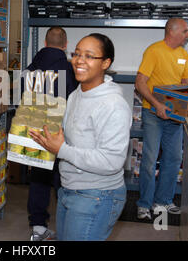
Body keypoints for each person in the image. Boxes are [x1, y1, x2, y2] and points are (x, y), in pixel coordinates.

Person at [29, 33, 131, 241]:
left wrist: (62, 149)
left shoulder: (113, 105)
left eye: (89, 56)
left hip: (96, 195)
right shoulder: (77, 93)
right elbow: (70, 138)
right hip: (69, 189)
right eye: (76, 54)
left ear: (106, 63)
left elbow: (112, 161)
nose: (79, 60)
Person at [21, 27, 78, 241]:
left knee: (39, 178)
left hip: (36, 130)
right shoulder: (71, 69)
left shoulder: (29, 68)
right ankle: (69, 227)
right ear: (65, 45)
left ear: (45, 43)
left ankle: (37, 228)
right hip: (62, 132)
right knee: (65, 178)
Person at [135, 18, 188, 220]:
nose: (187, 34)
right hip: (154, 114)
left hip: (174, 117)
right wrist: (157, 105)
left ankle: (163, 201)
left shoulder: (183, 54)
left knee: (174, 158)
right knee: (149, 159)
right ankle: (144, 204)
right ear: (172, 32)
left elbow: (185, 82)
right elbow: (140, 82)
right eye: (185, 31)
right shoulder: (154, 51)